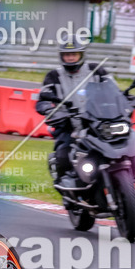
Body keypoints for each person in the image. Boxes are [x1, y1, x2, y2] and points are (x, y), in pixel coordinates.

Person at [35, 37, 91, 187]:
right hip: (68, 125)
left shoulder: (96, 70)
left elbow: (113, 91)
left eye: (74, 54)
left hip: (96, 123)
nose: (71, 57)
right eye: (67, 54)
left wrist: (127, 98)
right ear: (62, 56)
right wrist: (49, 109)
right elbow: (42, 100)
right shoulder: (54, 75)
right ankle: (67, 187)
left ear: (81, 54)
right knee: (63, 155)